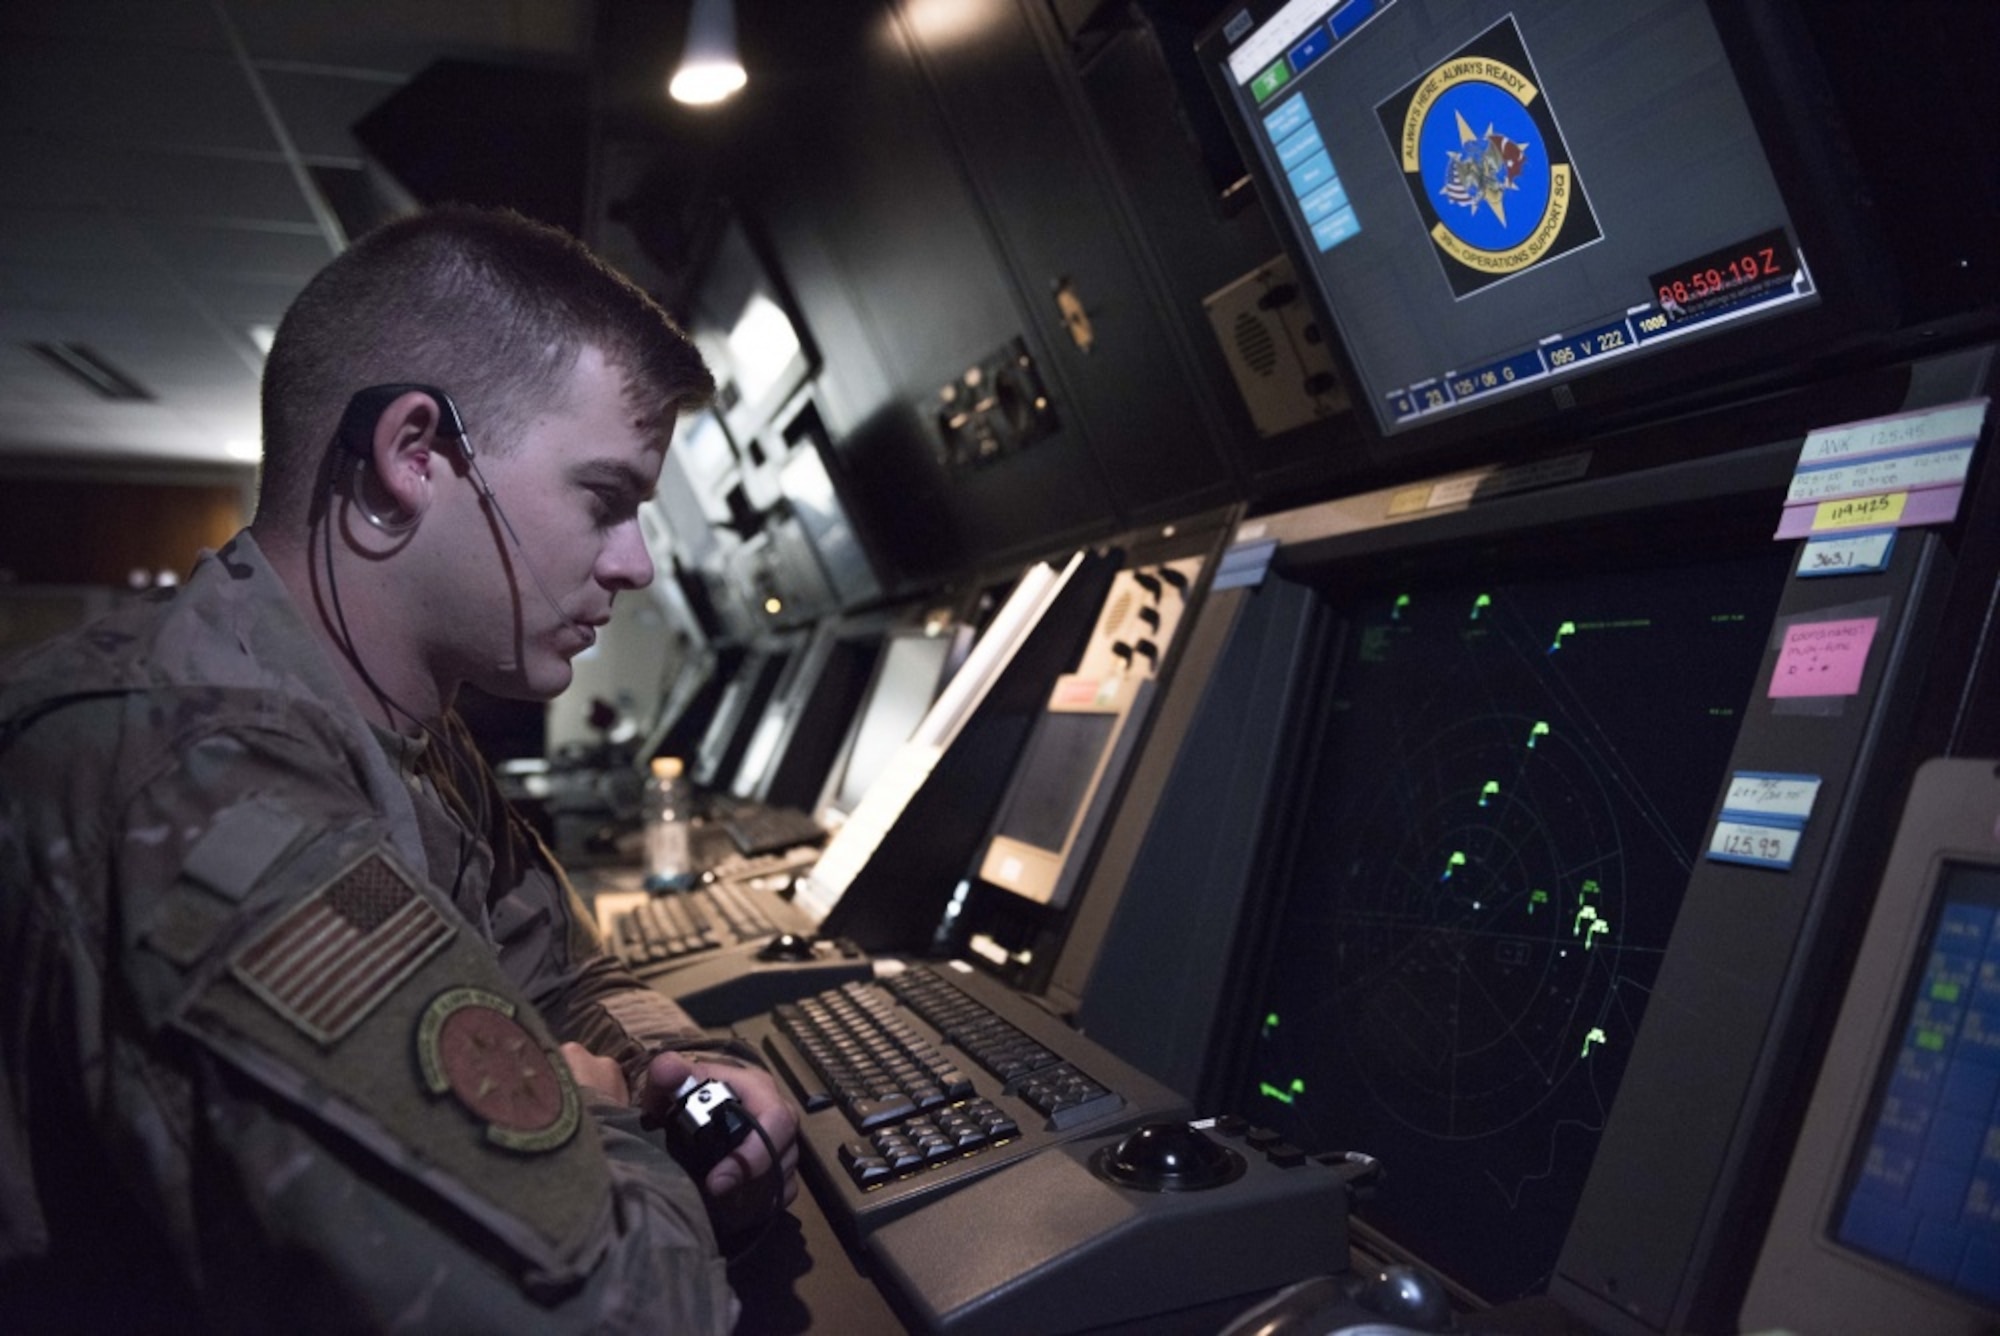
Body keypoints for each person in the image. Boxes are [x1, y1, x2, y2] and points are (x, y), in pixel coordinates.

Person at [0, 205, 801, 1333]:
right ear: (411, 456)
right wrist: (600, 1122)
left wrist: (670, 1066)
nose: (631, 563)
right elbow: (628, 1312)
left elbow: (560, 976)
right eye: (606, 500)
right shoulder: (204, 777)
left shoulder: (406, 729)